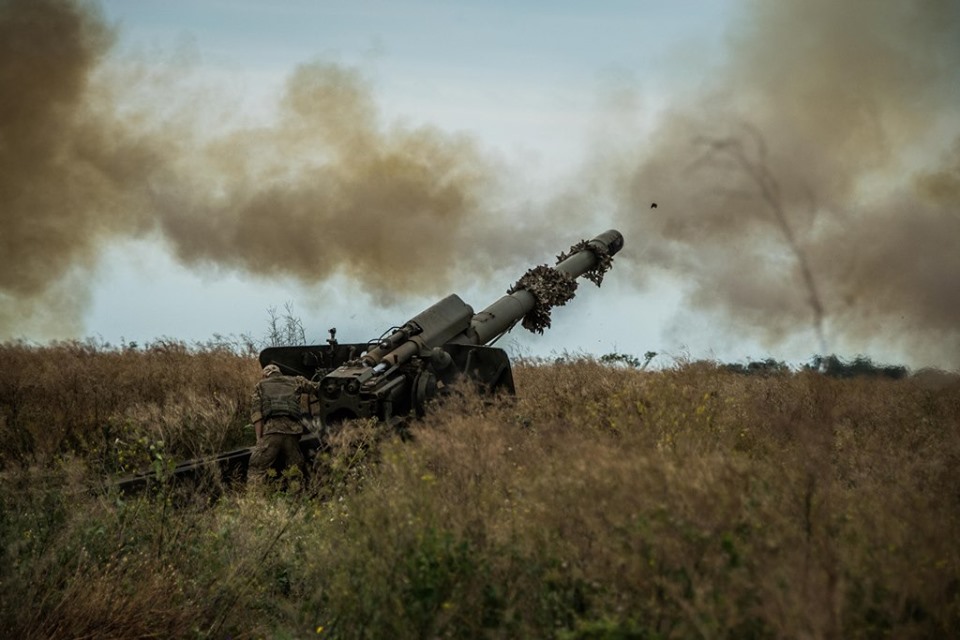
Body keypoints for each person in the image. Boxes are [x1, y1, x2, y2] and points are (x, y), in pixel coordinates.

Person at [248, 364, 319, 486]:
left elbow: (257, 415)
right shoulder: (296, 381)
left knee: (257, 468)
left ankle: (254, 500)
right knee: (295, 470)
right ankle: (296, 497)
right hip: (293, 434)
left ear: (265, 375)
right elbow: (318, 388)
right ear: (279, 373)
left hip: (272, 432)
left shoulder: (260, 386)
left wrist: (259, 439)